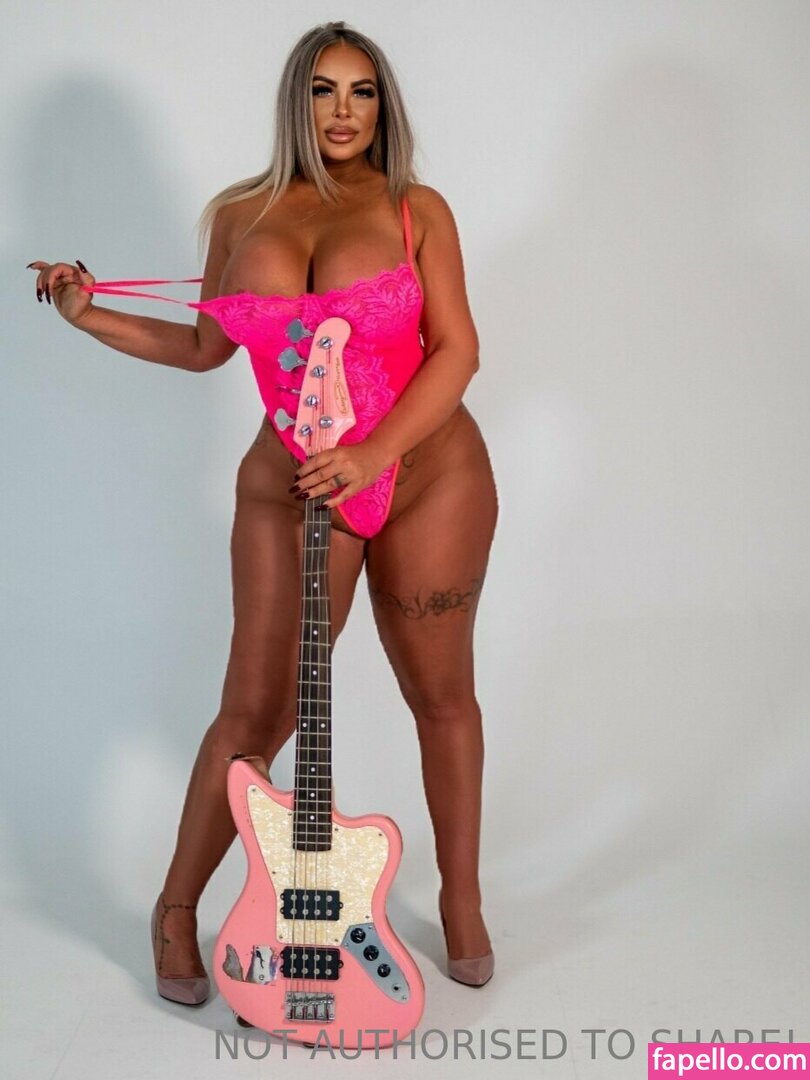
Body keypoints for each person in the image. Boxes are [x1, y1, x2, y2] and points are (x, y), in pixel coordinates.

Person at [27, 20, 498, 1004]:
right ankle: (174, 910)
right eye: (324, 90)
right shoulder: (240, 215)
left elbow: (457, 350)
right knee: (256, 711)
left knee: (439, 692)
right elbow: (206, 348)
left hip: (429, 475)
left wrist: (372, 452)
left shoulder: (416, 209)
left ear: (383, 106)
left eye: (362, 91)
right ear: (296, 101)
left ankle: (462, 898)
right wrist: (87, 313)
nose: (343, 111)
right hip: (291, 485)